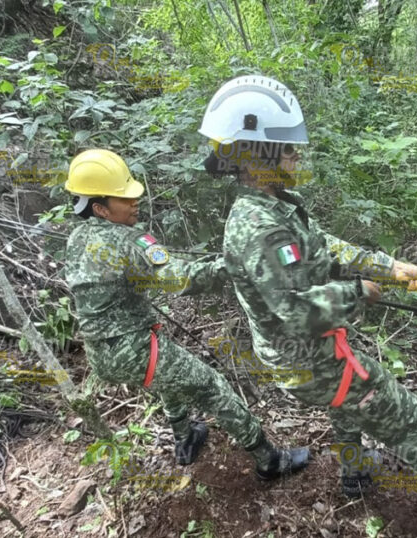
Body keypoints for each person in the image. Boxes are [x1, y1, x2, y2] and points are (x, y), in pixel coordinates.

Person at [200, 76, 417, 537]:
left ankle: (355, 471)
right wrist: (359, 292)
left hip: (306, 357)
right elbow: (296, 312)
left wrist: (391, 267)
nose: (297, 156)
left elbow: (323, 248)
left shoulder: (275, 205)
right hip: (308, 357)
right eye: (288, 149)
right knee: (407, 416)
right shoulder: (260, 227)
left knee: (347, 404)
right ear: (256, 156)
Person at [62, 148, 309, 477]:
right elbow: (180, 279)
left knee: (169, 376)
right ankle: (269, 460)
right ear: (100, 208)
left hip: (102, 356)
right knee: (212, 386)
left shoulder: (77, 239)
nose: (137, 201)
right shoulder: (133, 241)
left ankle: (185, 437)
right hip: (135, 349)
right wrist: (235, 264)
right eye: (125, 198)